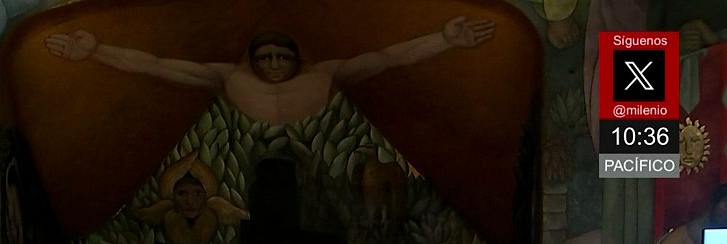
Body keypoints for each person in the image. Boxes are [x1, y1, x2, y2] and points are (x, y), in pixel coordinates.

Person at [45, 17, 495, 125]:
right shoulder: (228, 77)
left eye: (282, 58)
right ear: (252, 61)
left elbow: (391, 56)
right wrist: (97, 50)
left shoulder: (327, 75)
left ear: (297, 59)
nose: (275, 66)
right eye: (266, 59)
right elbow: (156, 66)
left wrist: (445, 40)